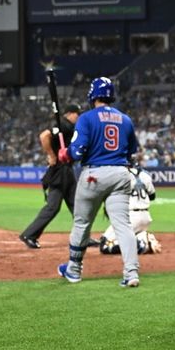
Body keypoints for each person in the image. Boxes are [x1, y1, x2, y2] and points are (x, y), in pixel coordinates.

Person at [56, 77, 141, 287]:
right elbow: (132, 151)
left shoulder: (86, 118)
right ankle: (131, 273)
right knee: (123, 225)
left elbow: (77, 151)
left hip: (94, 174)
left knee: (82, 223)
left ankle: (74, 270)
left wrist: (64, 154)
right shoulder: (126, 119)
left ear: (92, 96)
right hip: (121, 173)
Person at [19, 103, 81, 249]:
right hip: (60, 171)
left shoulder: (68, 127)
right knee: (53, 207)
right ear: (70, 114)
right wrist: (51, 155)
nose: (78, 118)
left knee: (77, 207)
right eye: (77, 115)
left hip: (67, 170)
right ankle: (29, 234)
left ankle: (83, 237)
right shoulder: (64, 125)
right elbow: (44, 135)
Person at [99, 167, 162, 255]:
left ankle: (140, 245)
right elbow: (152, 196)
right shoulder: (144, 175)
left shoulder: (120, 176)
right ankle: (142, 237)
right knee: (119, 237)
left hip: (130, 218)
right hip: (146, 218)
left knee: (105, 245)